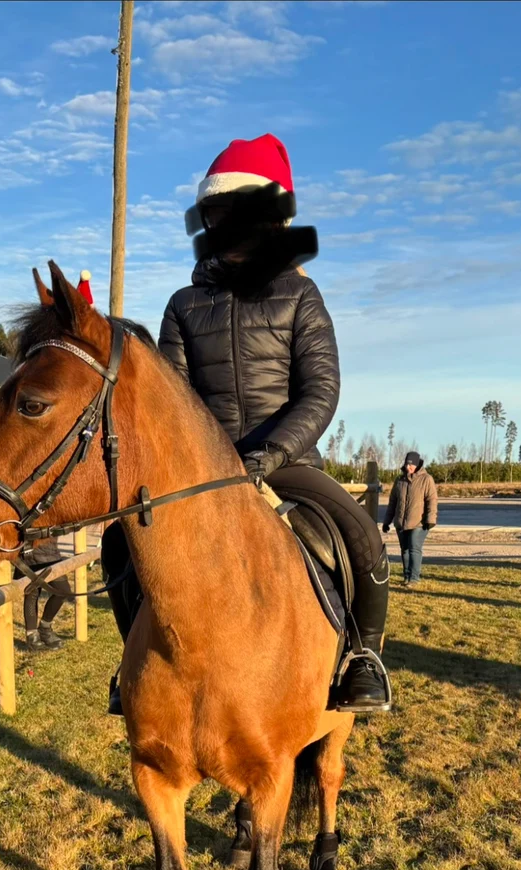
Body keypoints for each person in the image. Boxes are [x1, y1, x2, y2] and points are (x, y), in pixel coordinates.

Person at [101, 133, 390, 714]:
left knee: (362, 535)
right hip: (205, 471)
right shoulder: (182, 305)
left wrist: (271, 454)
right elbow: (173, 400)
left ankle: (363, 656)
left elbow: (320, 391)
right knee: (117, 542)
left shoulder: (301, 297)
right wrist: (205, 460)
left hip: (286, 463)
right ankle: (134, 657)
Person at [383, 451, 437, 585]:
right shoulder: (399, 480)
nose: (408, 467)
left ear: (418, 464)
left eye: (411, 465)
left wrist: (430, 519)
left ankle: (414, 578)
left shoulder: (426, 479)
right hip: (401, 522)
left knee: (414, 548)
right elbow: (393, 502)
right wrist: (387, 521)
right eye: (407, 464)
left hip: (419, 522)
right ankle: (406, 576)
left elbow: (432, 500)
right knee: (405, 550)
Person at [22, 536, 73, 649]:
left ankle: (44, 628)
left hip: (50, 550)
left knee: (63, 591)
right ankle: (32, 636)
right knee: (32, 593)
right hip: (29, 550)